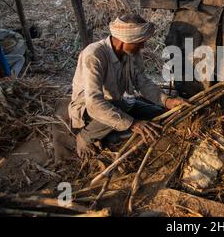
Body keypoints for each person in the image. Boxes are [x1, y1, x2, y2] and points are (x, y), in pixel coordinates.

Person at [68, 14, 188, 159]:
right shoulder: (94, 55)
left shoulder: (131, 53)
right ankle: (85, 137)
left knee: (159, 114)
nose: (143, 46)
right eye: (140, 42)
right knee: (127, 116)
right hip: (91, 110)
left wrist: (167, 101)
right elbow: (94, 103)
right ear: (126, 39)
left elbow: (142, 82)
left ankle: (119, 127)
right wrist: (133, 124)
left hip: (120, 103)